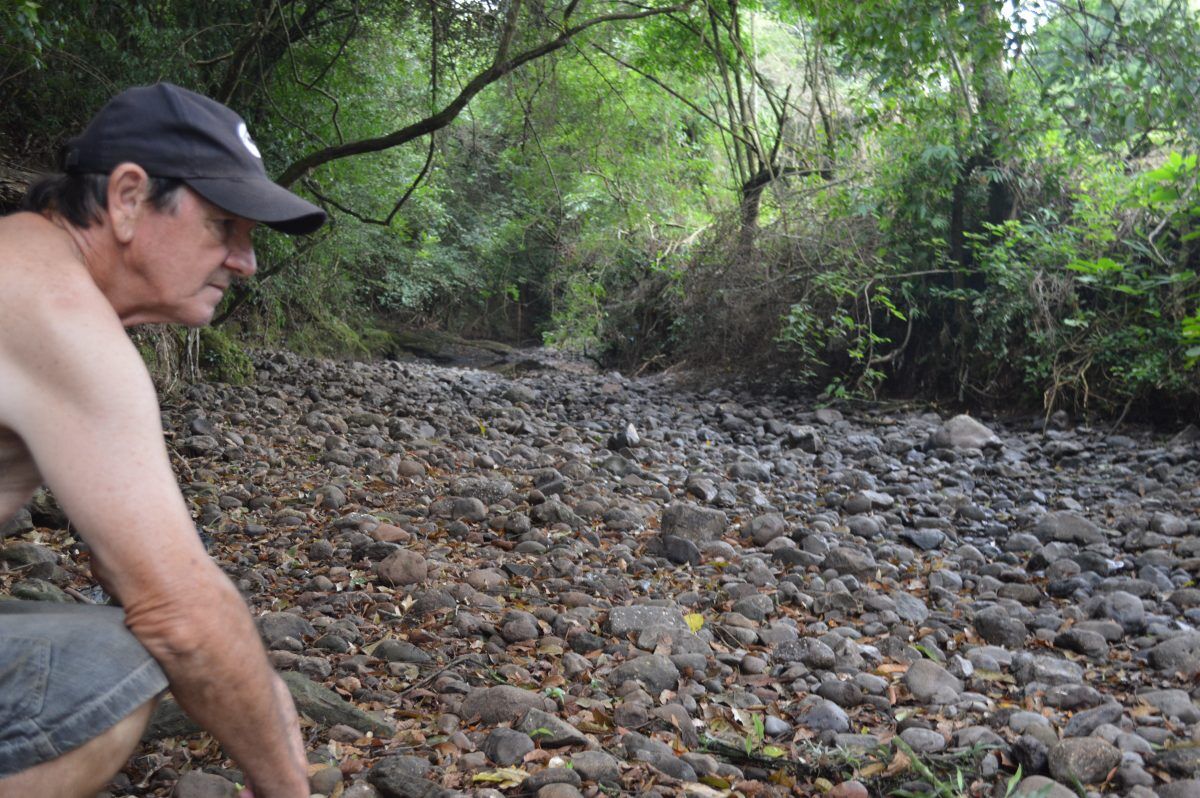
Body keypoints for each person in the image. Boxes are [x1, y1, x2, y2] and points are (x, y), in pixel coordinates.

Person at [0, 83, 326, 797]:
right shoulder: (55, 312)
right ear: (126, 198)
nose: (246, 262)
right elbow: (176, 615)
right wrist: (287, 785)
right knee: (113, 669)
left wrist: (263, 689)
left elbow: (124, 564)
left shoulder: (25, 262)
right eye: (223, 227)